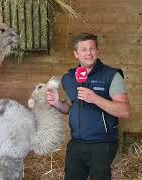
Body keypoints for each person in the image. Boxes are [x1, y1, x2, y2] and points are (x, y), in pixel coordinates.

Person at [46, 33, 130, 180]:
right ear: (76, 54)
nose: (88, 53)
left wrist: (95, 98)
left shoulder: (111, 75)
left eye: (92, 48)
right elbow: (69, 108)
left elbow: (124, 111)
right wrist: (57, 103)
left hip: (102, 143)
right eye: (83, 49)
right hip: (76, 143)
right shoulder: (69, 78)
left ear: (97, 51)